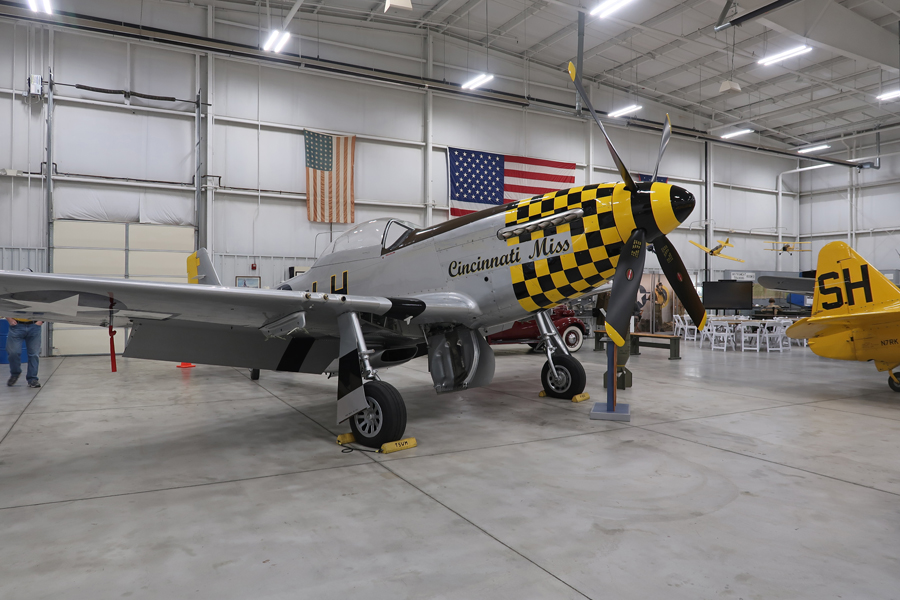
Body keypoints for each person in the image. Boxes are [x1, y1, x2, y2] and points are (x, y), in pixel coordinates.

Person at [6, 316, 43, 388]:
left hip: (34, 326)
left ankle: (32, 379)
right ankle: (15, 373)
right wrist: (9, 319)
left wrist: (41, 320)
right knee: (13, 352)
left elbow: (45, 310)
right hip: (16, 326)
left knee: (34, 354)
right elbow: (5, 308)